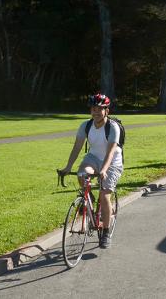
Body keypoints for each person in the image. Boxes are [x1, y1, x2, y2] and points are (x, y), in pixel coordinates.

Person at [61, 93, 123, 249]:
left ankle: (106, 232)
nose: (96, 112)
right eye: (93, 109)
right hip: (93, 158)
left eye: (100, 109)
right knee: (82, 174)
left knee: (105, 195)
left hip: (112, 162)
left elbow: (110, 152)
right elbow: (77, 147)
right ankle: (89, 196)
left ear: (106, 111)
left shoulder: (113, 127)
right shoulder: (85, 126)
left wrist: (104, 169)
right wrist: (68, 167)